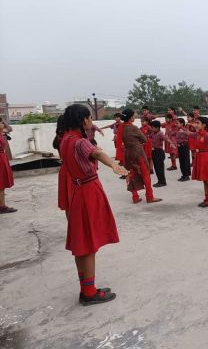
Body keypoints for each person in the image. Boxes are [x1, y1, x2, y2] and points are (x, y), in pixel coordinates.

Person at [60, 104, 128, 306]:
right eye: (89, 118)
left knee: (83, 243)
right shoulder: (79, 142)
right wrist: (115, 164)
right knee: (88, 244)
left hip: (78, 190)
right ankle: (89, 292)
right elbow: (97, 154)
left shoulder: (65, 139)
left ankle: (86, 288)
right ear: (83, 121)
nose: (91, 122)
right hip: (88, 191)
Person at [120, 109, 162, 204]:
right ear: (131, 117)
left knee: (131, 174)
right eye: (134, 116)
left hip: (127, 153)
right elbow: (144, 139)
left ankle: (135, 197)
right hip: (138, 153)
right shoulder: (133, 127)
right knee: (145, 174)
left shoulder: (121, 128)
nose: (135, 117)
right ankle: (149, 197)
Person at [150, 120, 175, 187]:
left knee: (160, 168)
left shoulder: (160, 134)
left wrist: (171, 143)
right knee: (156, 168)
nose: (152, 129)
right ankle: (159, 181)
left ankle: (163, 182)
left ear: (157, 128)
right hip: (154, 152)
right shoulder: (153, 133)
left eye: (153, 127)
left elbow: (166, 138)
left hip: (159, 152)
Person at [0, 118, 16, 214]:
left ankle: (2, 205)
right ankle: (2, 206)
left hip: (2, 157)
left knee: (2, 184)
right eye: (1, 122)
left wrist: (2, 119)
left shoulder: (1, 132)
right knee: (1, 184)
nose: (3, 124)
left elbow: (9, 128)